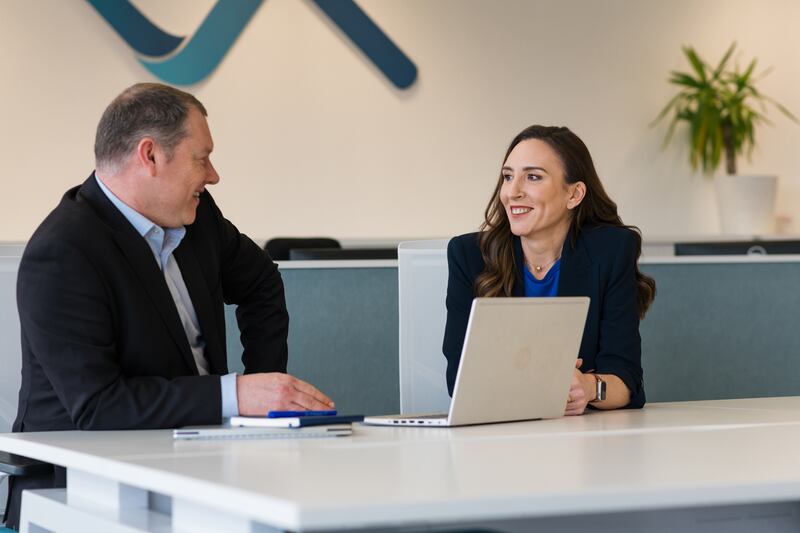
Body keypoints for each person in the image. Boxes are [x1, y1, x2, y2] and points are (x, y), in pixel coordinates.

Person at [5, 83, 333, 529]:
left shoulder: (196, 217)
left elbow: (261, 283)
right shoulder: (64, 251)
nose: (213, 175)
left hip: (196, 467)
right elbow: (100, 406)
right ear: (151, 156)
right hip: (82, 489)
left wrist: (265, 403)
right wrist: (238, 396)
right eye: (202, 157)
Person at [442, 125, 655, 415]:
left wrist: (590, 386)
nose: (512, 192)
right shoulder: (469, 256)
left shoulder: (611, 250)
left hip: (582, 441)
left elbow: (627, 382)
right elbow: (460, 383)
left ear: (574, 194)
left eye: (532, 177)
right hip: (494, 438)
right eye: (507, 176)